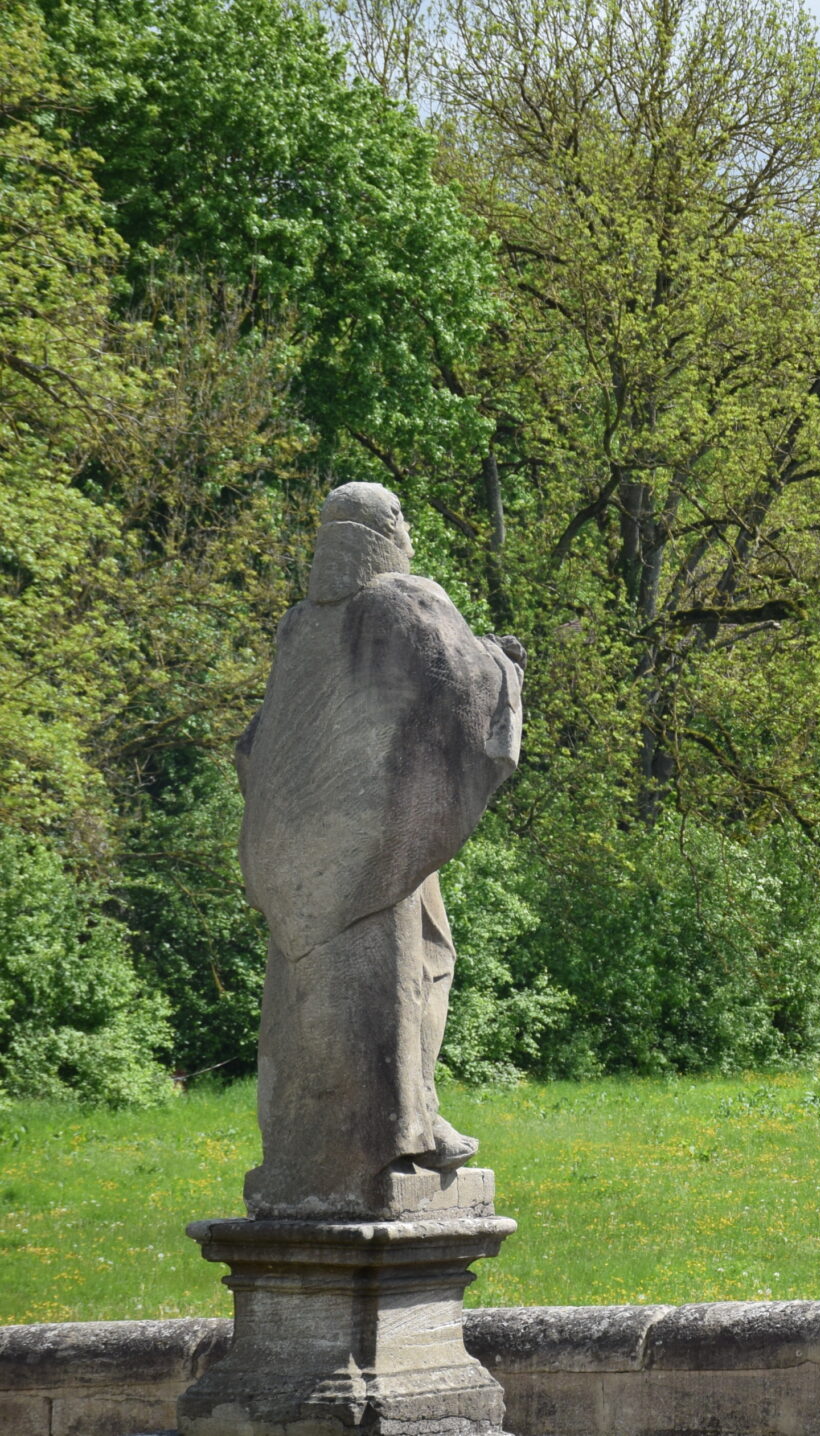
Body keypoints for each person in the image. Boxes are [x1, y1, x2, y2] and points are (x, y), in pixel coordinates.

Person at [234, 483, 524, 1217]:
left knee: (313, 1000)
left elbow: (256, 747)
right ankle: (403, 1131)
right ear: (387, 531)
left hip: (307, 857)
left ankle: (309, 1150)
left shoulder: (298, 628)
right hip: (379, 849)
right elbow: (464, 687)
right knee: (416, 969)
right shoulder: (404, 602)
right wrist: (505, 666)